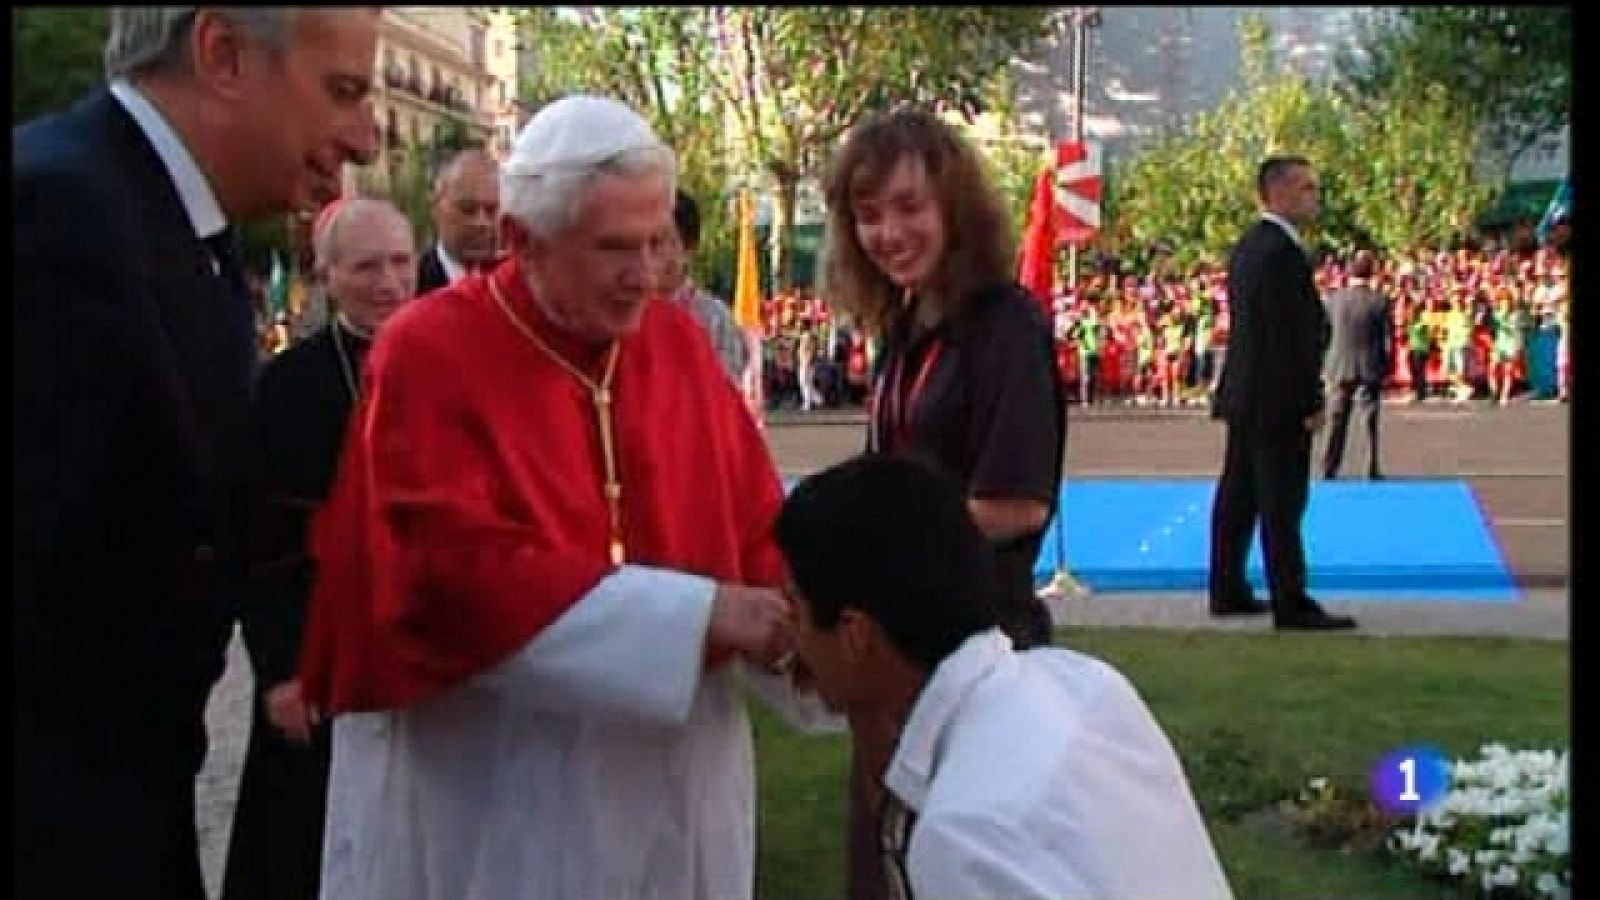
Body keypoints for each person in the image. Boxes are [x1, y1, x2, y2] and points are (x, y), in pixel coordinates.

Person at [297, 94, 822, 900]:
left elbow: (752, 521)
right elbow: (444, 572)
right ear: (521, 241)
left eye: (657, 242)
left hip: (673, 766)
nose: (646, 275)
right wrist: (698, 613)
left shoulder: (675, 341)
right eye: (614, 247)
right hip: (496, 773)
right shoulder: (429, 350)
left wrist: (807, 624)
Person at [13, 9, 378, 897]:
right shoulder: (57, 214)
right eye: (342, 91)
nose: (365, 136)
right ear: (223, 54)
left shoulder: (168, 232)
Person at [774, 454, 1234, 900]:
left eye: (795, 608)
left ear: (855, 635)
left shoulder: (966, 831)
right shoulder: (1083, 682)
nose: (787, 629)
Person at [820, 107, 1071, 900]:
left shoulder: (1004, 325)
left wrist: (873, 534)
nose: (887, 232)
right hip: (898, 655)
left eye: (907, 207)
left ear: (954, 208)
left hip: (980, 655)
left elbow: (1018, 504)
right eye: (867, 215)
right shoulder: (904, 322)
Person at [222, 197, 417, 900]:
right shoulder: (287, 385)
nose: (389, 282)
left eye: (400, 262)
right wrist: (278, 669)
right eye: (367, 266)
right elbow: (260, 543)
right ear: (327, 275)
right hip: (319, 657)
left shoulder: (450, 362)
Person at [1209, 155, 1355, 631]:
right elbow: (1289, 337)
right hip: (1276, 398)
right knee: (1281, 500)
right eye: (1306, 188)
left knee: (1239, 496)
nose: (1315, 196)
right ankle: (1290, 601)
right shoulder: (1279, 253)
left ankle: (1227, 587)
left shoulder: (1250, 246)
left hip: (1246, 392)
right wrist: (1310, 400)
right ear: (1279, 193)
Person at [660, 188, 750, 389]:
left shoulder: (713, 319)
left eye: (662, 242)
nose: (649, 255)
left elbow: (725, 392)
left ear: (689, 248)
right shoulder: (623, 317)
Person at [1320, 248, 1392, 480]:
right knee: (1369, 419)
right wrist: (1385, 366)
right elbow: (1386, 338)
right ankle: (1371, 466)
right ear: (1372, 272)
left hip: (1339, 366)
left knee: (1336, 420)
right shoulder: (1379, 301)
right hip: (1369, 366)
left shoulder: (1334, 300)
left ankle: (1329, 468)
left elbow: (1323, 334)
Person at [416, 146, 500, 294]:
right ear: (436, 209)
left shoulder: (522, 287)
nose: (481, 222)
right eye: (467, 209)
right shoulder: (412, 287)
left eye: (492, 210)